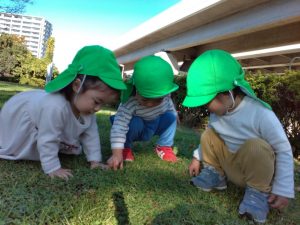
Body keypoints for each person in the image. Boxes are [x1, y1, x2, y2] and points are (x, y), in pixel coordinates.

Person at [183, 49, 294, 223]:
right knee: (209, 133)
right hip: (231, 168)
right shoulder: (217, 115)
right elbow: (209, 140)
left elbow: (283, 149)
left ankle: (257, 196)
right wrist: (197, 158)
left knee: (257, 146)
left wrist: (283, 189)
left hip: (256, 174)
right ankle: (215, 176)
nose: (205, 107)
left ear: (226, 94)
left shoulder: (260, 113)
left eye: (207, 102)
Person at [0, 45, 126, 180]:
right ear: (77, 86)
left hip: (44, 117)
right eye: (96, 101)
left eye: (103, 104)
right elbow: (48, 138)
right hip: (18, 116)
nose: (97, 109)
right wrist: (53, 168)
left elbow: (91, 135)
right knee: (44, 136)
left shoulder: (86, 109)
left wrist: (95, 161)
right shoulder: (55, 106)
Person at [107, 55, 179, 170]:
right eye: (145, 98)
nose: (150, 104)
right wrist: (117, 153)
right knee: (135, 121)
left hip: (154, 124)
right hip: (136, 127)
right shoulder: (129, 102)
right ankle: (125, 147)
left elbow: (169, 104)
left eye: (158, 99)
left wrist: (174, 114)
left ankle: (164, 146)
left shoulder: (165, 95)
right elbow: (119, 127)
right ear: (136, 88)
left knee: (171, 117)